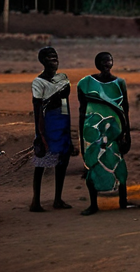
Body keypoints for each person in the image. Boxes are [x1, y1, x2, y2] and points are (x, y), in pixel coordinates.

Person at [78, 52, 132, 215]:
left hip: (115, 131)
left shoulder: (120, 83)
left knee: (118, 164)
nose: (106, 64)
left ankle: (123, 201)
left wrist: (126, 134)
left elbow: (125, 110)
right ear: (97, 63)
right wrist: (81, 135)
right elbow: (82, 110)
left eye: (109, 60)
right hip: (93, 131)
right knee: (93, 165)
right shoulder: (85, 83)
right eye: (103, 61)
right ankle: (93, 204)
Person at [30, 46, 74, 212]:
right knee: (41, 162)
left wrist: (67, 128)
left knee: (62, 162)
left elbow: (64, 104)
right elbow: (38, 109)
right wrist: (39, 134)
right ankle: (36, 201)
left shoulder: (63, 79)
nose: (54, 60)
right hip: (46, 125)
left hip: (61, 124)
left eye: (55, 57)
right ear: (42, 61)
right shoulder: (38, 82)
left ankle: (58, 199)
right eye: (49, 57)